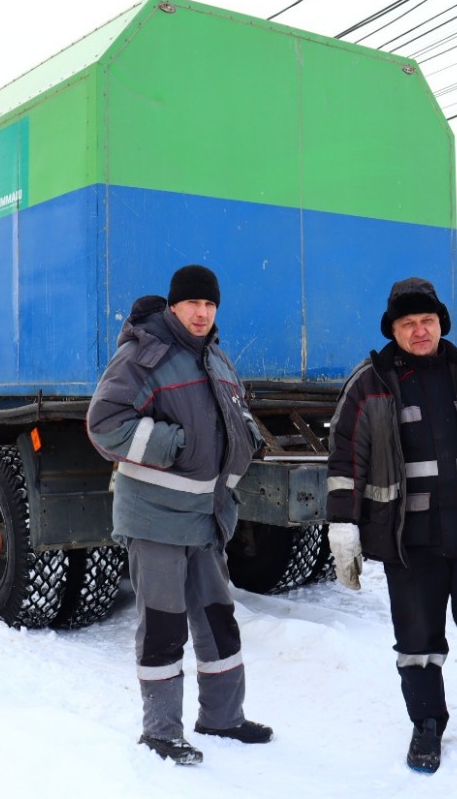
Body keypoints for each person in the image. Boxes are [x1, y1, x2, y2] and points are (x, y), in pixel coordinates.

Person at [325, 277, 457, 775]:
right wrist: (343, 526)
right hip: (411, 541)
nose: (420, 331)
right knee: (418, 642)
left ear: (441, 324)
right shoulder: (371, 383)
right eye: (409, 324)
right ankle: (426, 725)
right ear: (394, 330)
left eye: (427, 321)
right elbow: (345, 460)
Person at [87, 264, 272, 765]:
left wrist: (247, 436)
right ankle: (161, 731)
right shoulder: (145, 357)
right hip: (156, 517)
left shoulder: (215, 357)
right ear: (174, 306)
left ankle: (222, 717)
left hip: (206, 516)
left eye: (210, 305)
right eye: (193, 304)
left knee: (218, 620)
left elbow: (236, 412)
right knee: (164, 627)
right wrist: (176, 444)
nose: (202, 313)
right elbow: (103, 423)